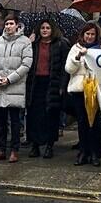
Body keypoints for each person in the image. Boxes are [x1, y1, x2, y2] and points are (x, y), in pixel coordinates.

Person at [0, 14, 33, 163]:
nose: (8, 26)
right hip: (0, 86)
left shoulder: (25, 42)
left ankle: (14, 150)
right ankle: (1, 149)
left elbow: (26, 65)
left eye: (11, 23)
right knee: (1, 121)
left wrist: (9, 79)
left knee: (14, 121)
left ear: (17, 25)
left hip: (15, 86)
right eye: (6, 24)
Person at [26, 18, 69, 159]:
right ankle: (35, 145)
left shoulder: (60, 44)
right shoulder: (33, 44)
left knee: (51, 115)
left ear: (52, 30)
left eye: (48, 28)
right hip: (35, 83)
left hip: (52, 83)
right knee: (34, 114)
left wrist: (62, 85)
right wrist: (28, 42)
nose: (45, 30)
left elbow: (65, 67)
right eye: (43, 28)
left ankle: (49, 145)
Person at [65, 22, 101, 166]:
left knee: (94, 123)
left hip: (94, 90)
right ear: (83, 35)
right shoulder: (75, 48)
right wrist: (77, 58)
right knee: (82, 123)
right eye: (87, 34)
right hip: (79, 90)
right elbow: (69, 69)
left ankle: (95, 153)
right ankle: (83, 152)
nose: (90, 36)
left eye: (92, 34)